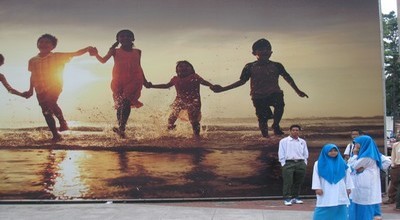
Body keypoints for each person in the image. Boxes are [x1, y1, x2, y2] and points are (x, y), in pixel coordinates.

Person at [212, 38, 308, 137]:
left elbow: (287, 77)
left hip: (274, 92)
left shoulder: (277, 65)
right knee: (263, 118)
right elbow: (241, 81)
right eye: (261, 49)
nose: (265, 51)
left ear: (271, 52)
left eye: (267, 49)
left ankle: (275, 125)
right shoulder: (249, 67)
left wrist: (298, 91)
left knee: (279, 105)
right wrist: (223, 89)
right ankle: (265, 137)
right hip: (258, 96)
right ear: (254, 53)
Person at [24, 34, 92, 141]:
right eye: (41, 42)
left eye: (47, 42)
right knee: (46, 111)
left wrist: (87, 49)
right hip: (39, 88)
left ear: (52, 46)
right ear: (37, 44)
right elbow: (32, 75)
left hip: (55, 84)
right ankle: (55, 135)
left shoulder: (57, 56)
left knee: (50, 101)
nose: (43, 44)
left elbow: (75, 53)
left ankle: (62, 122)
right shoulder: (32, 60)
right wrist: (30, 90)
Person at [90, 29, 149, 138]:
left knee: (126, 101)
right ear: (118, 39)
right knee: (119, 104)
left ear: (133, 38)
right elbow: (103, 60)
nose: (125, 38)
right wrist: (96, 54)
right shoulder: (114, 51)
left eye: (128, 36)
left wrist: (145, 81)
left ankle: (122, 127)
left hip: (134, 80)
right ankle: (121, 129)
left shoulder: (138, 52)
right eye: (122, 36)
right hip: (118, 80)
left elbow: (139, 66)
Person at [147, 60, 217, 137]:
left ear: (192, 70)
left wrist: (212, 86)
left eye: (187, 66)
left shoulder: (194, 76)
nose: (184, 67)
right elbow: (166, 85)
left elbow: (203, 82)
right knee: (172, 117)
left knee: (194, 121)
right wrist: (152, 86)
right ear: (177, 71)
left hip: (194, 101)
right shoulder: (175, 79)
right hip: (180, 100)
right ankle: (169, 130)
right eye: (181, 66)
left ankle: (196, 135)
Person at [312, 143, 354, 220]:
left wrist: (348, 187)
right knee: (323, 206)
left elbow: (347, 176)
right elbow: (316, 176)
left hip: (340, 188)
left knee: (340, 206)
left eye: (335, 150)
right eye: (330, 151)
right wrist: (317, 187)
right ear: (325, 151)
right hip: (325, 188)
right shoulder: (318, 163)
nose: (333, 152)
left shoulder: (342, 163)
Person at [348, 135, 383, 220]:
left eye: (357, 143)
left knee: (364, 209)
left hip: (365, 186)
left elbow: (353, 165)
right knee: (359, 206)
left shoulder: (367, 156)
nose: (355, 145)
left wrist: (355, 154)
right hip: (362, 186)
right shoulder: (365, 154)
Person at [278, 124, 309, 206]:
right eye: (293, 130)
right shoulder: (284, 141)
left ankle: (295, 197)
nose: (295, 132)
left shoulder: (302, 141)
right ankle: (287, 198)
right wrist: (283, 163)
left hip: (300, 162)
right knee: (288, 181)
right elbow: (281, 153)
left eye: (297, 130)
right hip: (289, 163)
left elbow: (305, 153)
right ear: (290, 131)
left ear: (299, 131)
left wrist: (304, 162)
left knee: (298, 181)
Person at [386, 134, 400, 205]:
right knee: (394, 183)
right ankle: (391, 198)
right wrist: (392, 164)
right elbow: (393, 155)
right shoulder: (395, 145)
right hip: (397, 166)